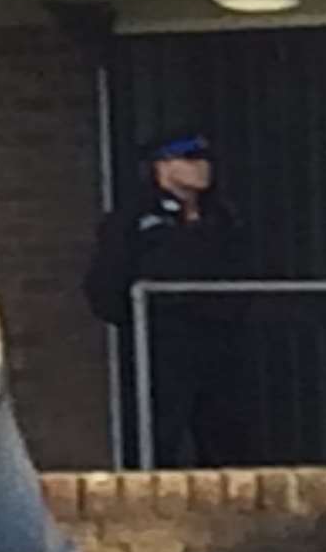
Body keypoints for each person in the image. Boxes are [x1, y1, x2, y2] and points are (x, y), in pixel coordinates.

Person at [82, 131, 240, 467]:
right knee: (157, 431)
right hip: (161, 340)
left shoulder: (222, 216)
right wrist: (136, 318)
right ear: (163, 166)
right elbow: (107, 279)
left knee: (226, 434)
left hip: (220, 339)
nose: (203, 168)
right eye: (192, 160)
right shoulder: (133, 218)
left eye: (206, 160)